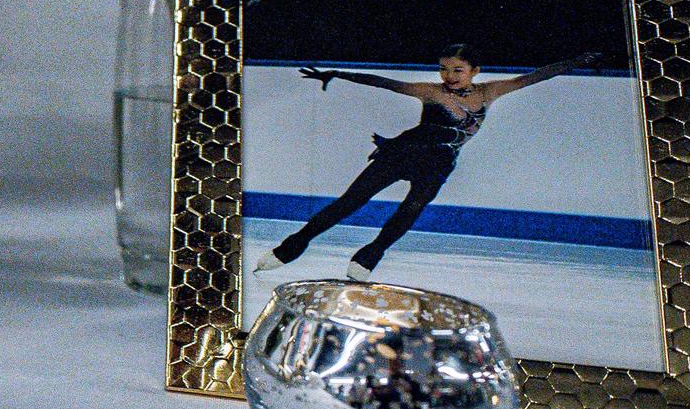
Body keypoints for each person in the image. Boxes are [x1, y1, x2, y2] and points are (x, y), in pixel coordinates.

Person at [254, 44, 601, 280]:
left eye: (458, 70)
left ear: (475, 71)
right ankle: (293, 246)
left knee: (410, 210)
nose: (449, 76)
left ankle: (370, 255)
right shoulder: (431, 92)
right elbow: (384, 83)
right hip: (403, 153)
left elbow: (534, 77)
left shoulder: (490, 92)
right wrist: (338, 74)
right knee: (350, 202)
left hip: (437, 164)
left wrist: (575, 62)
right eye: (444, 69)